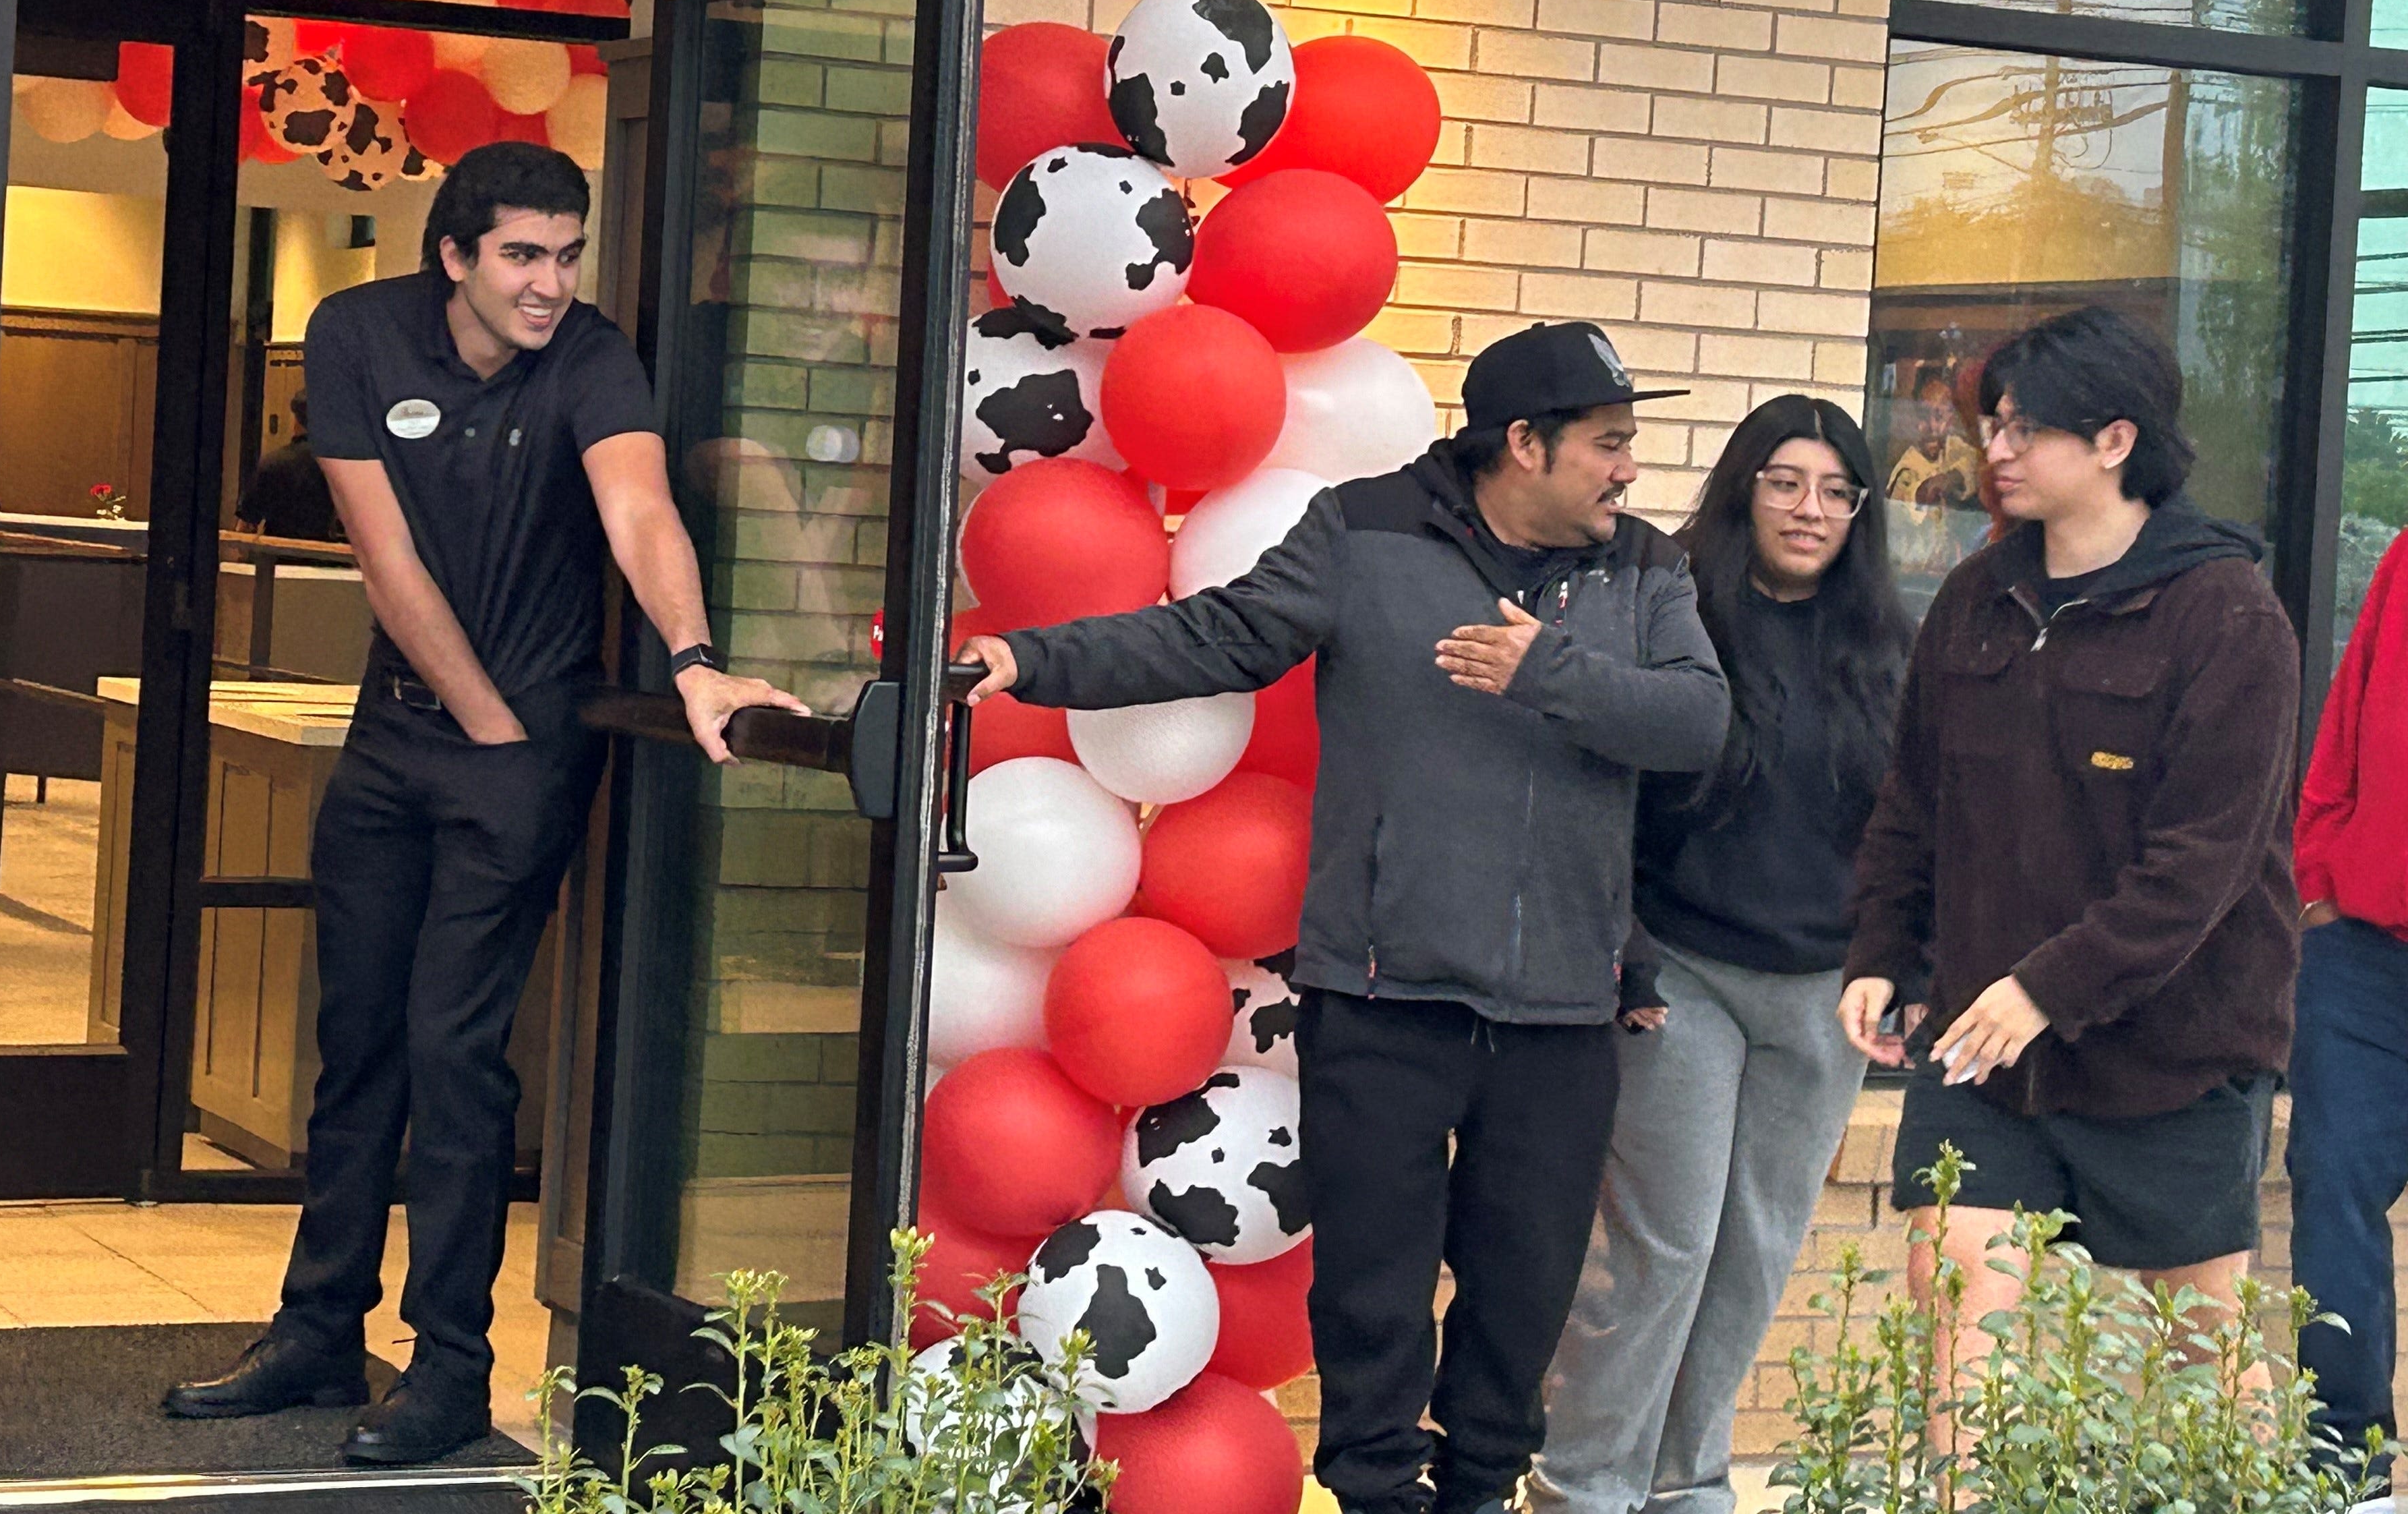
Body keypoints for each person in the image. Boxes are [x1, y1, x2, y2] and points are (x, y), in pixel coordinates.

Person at [958, 320, 1731, 1514]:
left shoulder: (1643, 567)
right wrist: (1030, 657)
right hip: (1381, 992)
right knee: (1368, 1297)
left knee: (1520, 1295)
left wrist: (1548, 672)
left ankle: (1476, 1492)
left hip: (1564, 1008)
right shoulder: (1363, 530)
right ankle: (1375, 1495)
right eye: (1607, 442)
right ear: (1521, 443)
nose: (1626, 467)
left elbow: (1694, 722)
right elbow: (1211, 634)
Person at [163, 145, 806, 1464]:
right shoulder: (356, 335)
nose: (549, 283)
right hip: (404, 747)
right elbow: (387, 563)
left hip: (523, 764)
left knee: (456, 1056)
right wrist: (485, 723)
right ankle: (318, 1331)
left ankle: (450, 1366)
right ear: (452, 256)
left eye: (566, 255)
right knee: (357, 1045)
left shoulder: (591, 357)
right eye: (523, 255)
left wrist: (690, 660)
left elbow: (641, 511)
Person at [1839, 307, 2301, 1401]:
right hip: (1980, 1051)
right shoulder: (1974, 597)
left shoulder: (2226, 614)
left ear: (2114, 438)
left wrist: (2044, 987)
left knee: (2192, 1361)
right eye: (1991, 423)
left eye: (2021, 427)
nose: (1992, 449)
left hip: (2172, 1055)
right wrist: (1878, 948)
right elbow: (1913, 794)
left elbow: (2203, 861)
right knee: (1953, 1310)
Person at [1529, 396, 1914, 1514]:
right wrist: (1626, 952)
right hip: (1682, 971)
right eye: (1787, 480)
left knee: (1751, 1253)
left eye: (1837, 488)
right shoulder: (1670, 606)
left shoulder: (1889, 642)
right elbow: (1599, 796)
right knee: (1661, 1246)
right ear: (1745, 485)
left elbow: (1918, 822)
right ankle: (1581, 1485)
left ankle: (1684, 1481)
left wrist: (1902, 961)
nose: (1811, 507)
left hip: (1823, 992)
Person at [2286, 525, 2408, 1495]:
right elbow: (2347, 717)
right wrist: (2319, 880)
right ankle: (2346, 1466)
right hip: (2367, 955)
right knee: (2332, 1200)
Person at [1883, 365, 1980, 585]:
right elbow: (1909, 495)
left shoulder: (1952, 448)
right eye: (1922, 416)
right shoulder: (1908, 468)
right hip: (1912, 578)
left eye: (1939, 416)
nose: (1926, 427)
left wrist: (1952, 477)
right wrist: (1926, 490)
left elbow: (1973, 461)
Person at [239, 390, 342, 542]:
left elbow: (246, 524)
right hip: (325, 562)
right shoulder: (341, 469)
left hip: (275, 560)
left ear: (296, 420)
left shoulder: (272, 463)